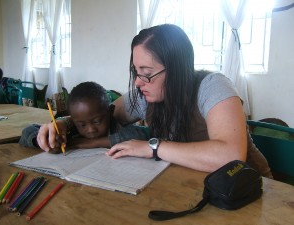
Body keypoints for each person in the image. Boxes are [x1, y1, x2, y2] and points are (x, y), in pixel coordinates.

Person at [37, 24, 272, 178]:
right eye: (135, 72)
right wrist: (63, 125)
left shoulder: (213, 87)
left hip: (246, 191)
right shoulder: (147, 94)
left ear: (177, 70)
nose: (138, 82)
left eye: (146, 73)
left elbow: (230, 156)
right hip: (190, 184)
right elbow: (104, 114)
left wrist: (153, 147)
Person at [19, 81, 149, 153]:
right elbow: (27, 132)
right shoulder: (70, 131)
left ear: (110, 112)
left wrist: (92, 143)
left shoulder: (116, 127)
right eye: (82, 124)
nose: (91, 129)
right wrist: (44, 141)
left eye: (97, 121)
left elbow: (142, 134)